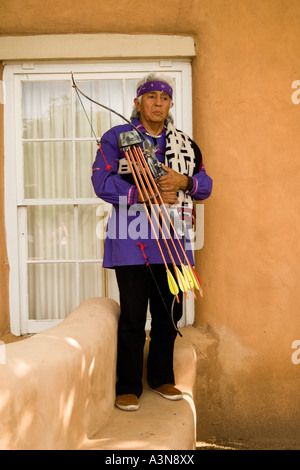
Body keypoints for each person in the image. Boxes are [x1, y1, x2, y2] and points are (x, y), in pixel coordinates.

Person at [92, 73, 212, 411]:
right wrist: (145, 192)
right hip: (131, 243)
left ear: (170, 104)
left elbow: (205, 184)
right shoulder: (117, 138)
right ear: (137, 103)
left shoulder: (185, 144)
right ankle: (128, 386)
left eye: (164, 98)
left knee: (168, 316)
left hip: (174, 242)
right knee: (133, 318)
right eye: (150, 97)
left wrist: (184, 180)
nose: (157, 103)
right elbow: (101, 182)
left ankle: (161, 377)